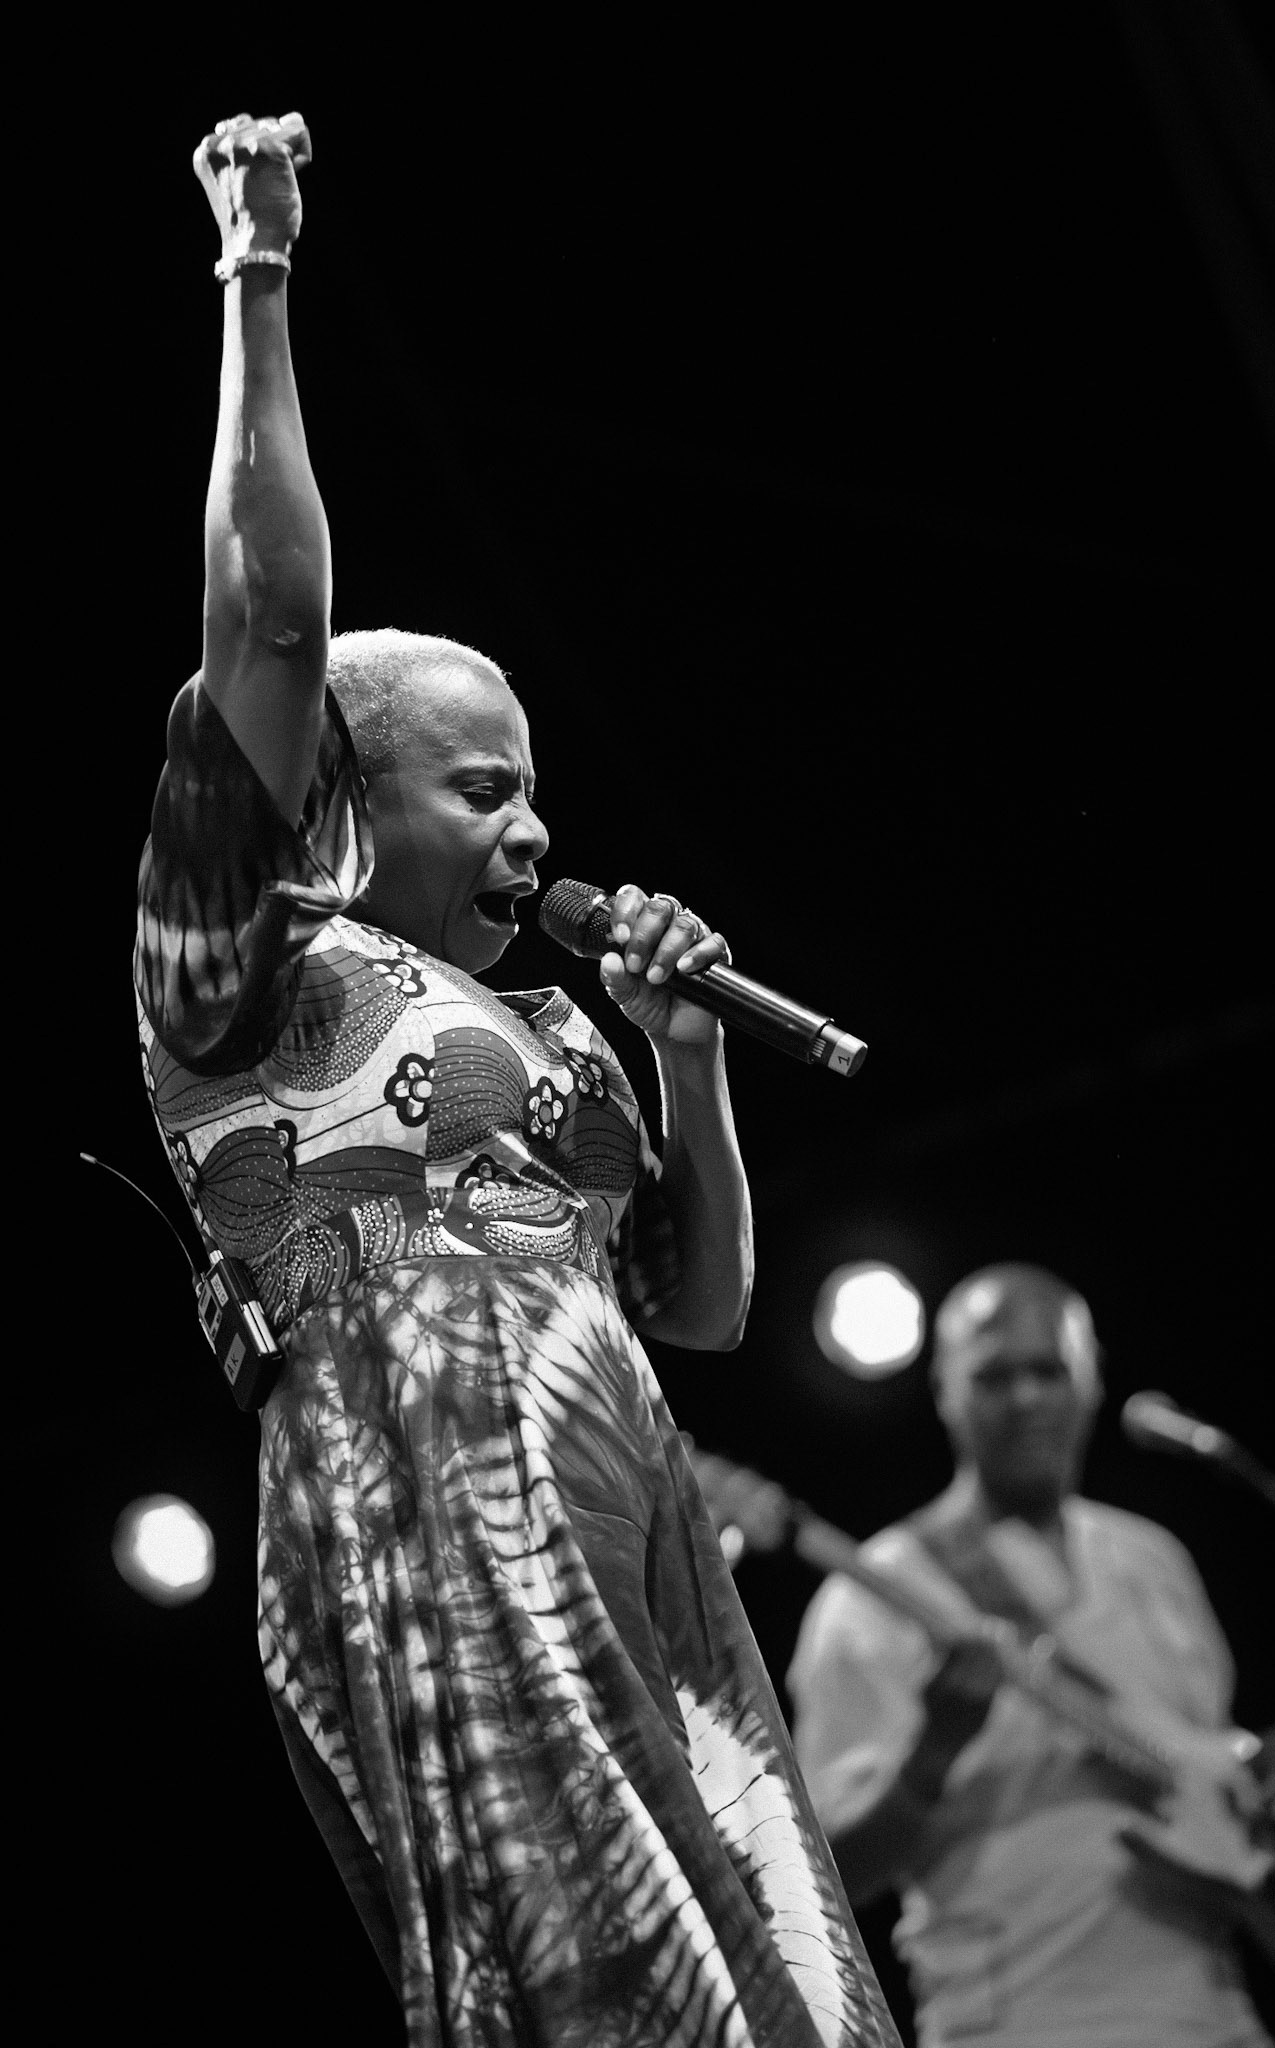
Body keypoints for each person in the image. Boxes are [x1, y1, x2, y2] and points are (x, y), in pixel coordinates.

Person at [134, 113, 900, 2048]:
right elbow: (269, 620)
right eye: (482, 786)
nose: (534, 825)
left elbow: (707, 1311)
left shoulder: (565, 1042)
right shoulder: (239, 971)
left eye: (537, 787)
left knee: (773, 1951)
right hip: (422, 1455)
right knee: (592, 1959)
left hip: (626, 1480)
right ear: (335, 796)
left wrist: (690, 1053)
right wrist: (260, 274)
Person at [787, 1262, 1275, 2048]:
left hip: (1214, 2015)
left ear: (1090, 1381)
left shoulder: (1150, 1559)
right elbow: (824, 1881)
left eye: (1047, 1372)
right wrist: (931, 1751)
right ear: (944, 1392)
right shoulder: (876, 1595)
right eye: (992, 1377)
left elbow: (1203, 1779)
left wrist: (1271, 1766)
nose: (1025, 1400)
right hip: (1023, 2021)